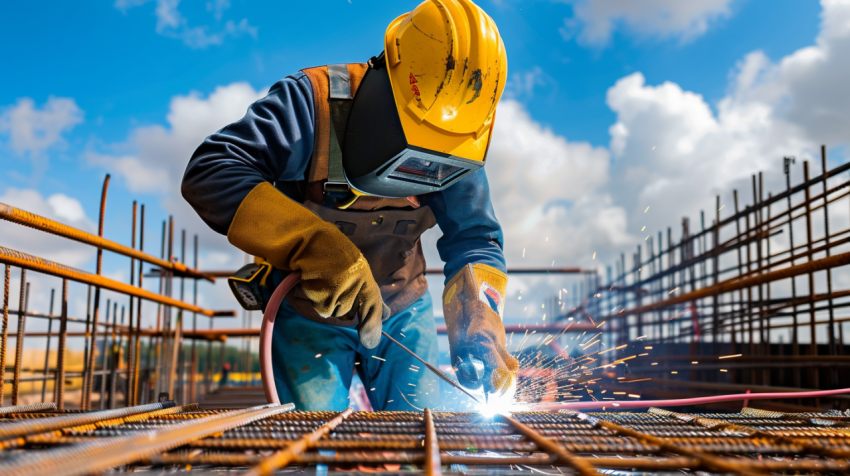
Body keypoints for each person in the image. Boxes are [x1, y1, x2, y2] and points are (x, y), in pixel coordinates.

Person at [182, 0, 517, 411]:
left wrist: (478, 321)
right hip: (310, 312)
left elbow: (475, 239)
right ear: (387, 82)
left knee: (425, 441)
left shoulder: (459, 140)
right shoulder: (312, 104)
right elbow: (212, 170)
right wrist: (313, 245)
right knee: (309, 447)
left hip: (403, 308)